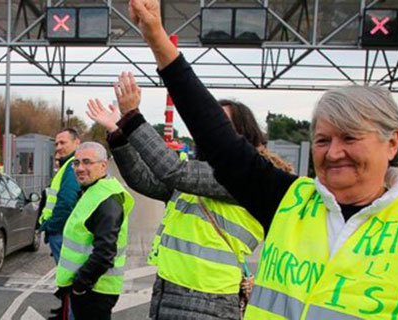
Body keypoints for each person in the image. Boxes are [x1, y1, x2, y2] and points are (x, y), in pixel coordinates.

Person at [128, 1, 398, 319]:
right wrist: (159, 41)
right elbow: (219, 140)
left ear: (392, 143)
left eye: (350, 138)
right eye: (322, 140)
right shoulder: (288, 200)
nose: (334, 153)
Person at [86, 73, 292, 320]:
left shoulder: (246, 176)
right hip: (169, 291)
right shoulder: (198, 173)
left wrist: (132, 119)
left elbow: (172, 170)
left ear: (242, 135)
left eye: (221, 126)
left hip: (208, 300)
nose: (210, 131)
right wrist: (117, 133)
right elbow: (144, 180)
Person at [55, 142, 134, 320]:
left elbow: (105, 252)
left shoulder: (107, 199)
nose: (80, 168)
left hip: (95, 290)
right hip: (89, 288)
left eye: (87, 162)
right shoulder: (93, 191)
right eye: (76, 163)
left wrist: (80, 285)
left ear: (103, 165)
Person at [38, 128, 81, 317]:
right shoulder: (68, 166)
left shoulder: (72, 166)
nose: (58, 147)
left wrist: (52, 227)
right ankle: (64, 311)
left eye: (63, 143)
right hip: (61, 232)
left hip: (61, 233)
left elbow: (66, 202)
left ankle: (67, 314)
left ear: (77, 143)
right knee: (66, 278)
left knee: (69, 279)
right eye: (56, 143)